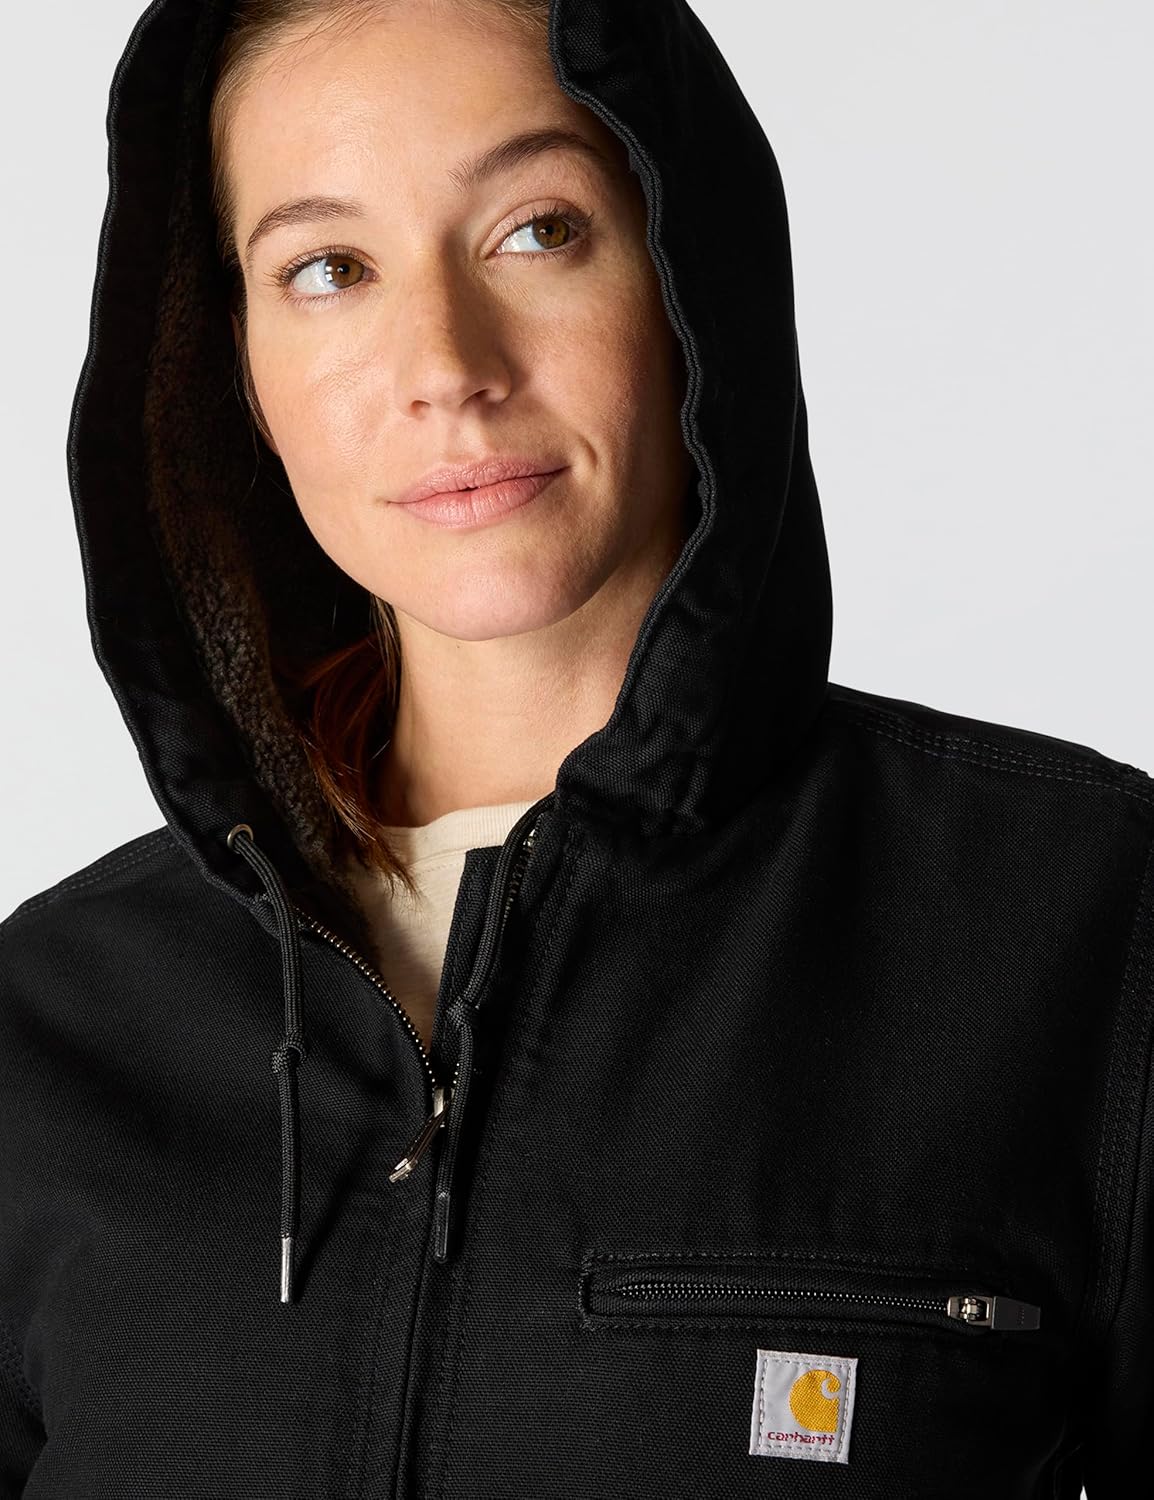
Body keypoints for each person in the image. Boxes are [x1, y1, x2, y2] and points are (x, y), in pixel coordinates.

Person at [0, 0, 1147, 1494]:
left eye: (536, 231)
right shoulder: (48, 1020)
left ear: (688, 276)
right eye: (328, 268)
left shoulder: (1085, 927)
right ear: (241, 370)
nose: (445, 363)